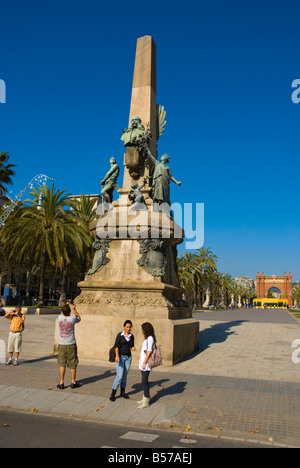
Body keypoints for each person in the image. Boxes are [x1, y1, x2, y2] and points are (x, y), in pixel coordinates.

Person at [57, 301, 81, 390]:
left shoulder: (60, 318)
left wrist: (66, 305)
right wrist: (75, 309)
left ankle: (61, 382)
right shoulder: (72, 319)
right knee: (72, 363)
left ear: (63, 312)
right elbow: (79, 318)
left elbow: (62, 312)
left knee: (62, 363)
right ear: (69, 312)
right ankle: (73, 381)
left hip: (62, 344)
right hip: (71, 344)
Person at [110, 320, 136, 402]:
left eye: (130, 327)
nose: (128, 328)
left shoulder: (132, 336)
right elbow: (116, 346)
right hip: (121, 357)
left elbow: (131, 345)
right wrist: (117, 356)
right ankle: (113, 394)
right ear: (124, 327)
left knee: (124, 376)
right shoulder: (120, 335)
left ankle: (122, 392)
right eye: (127, 327)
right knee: (119, 376)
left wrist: (133, 348)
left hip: (128, 357)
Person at [137, 322, 156, 409]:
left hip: (146, 363)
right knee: (144, 381)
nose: (141, 330)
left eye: (142, 329)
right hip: (143, 363)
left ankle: (146, 400)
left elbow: (149, 351)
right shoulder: (148, 338)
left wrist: (144, 362)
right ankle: (145, 397)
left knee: (144, 382)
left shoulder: (150, 338)